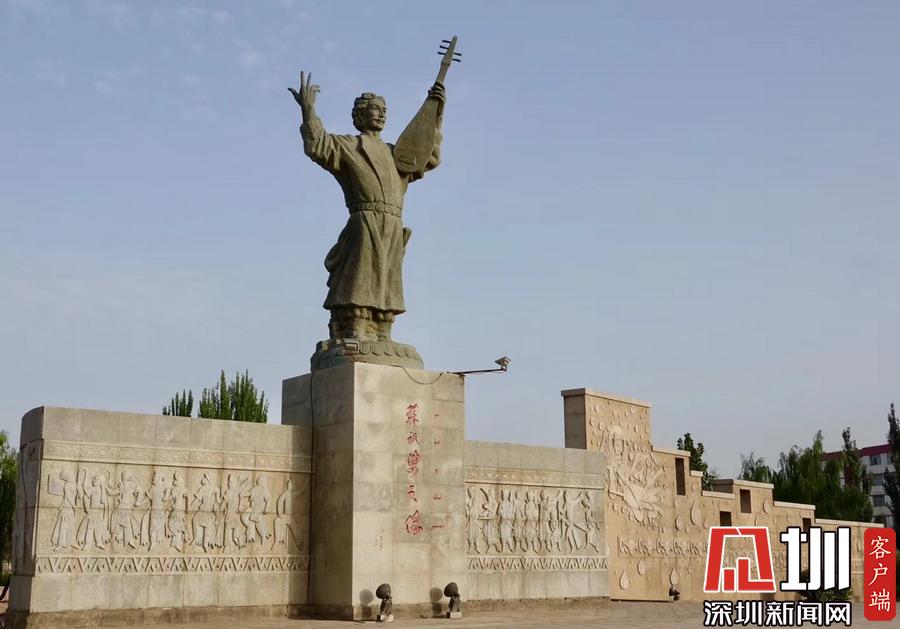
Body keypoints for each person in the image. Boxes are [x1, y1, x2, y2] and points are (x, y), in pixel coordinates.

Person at [289, 71, 445, 342]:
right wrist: (308, 110)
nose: (381, 114)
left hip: (392, 224)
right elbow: (318, 146)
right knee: (359, 276)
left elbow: (427, 157)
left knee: (387, 281)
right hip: (365, 220)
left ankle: (382, 328)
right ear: (360, 115)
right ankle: (355, 326)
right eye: (375, 108)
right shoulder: (350, 146)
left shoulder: (397, 154)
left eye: (384, 110)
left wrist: (436, 115)